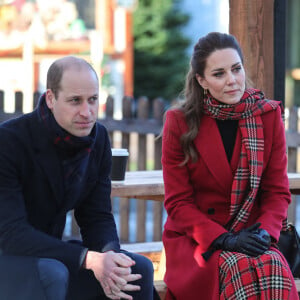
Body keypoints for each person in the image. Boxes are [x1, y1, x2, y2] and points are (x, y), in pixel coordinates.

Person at [0, 56, 157, 300]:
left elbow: (96, 216)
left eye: (93, 99)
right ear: (51, 99)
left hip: (49, 253)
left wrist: (111, 260)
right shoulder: (9, 141)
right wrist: (89, 259)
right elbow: (11, 234)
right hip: (8, 257)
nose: (87, 112)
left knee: (136, 271)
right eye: (75, 101)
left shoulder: (98, 139)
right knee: (54, 273)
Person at [161, 32, 299, 300]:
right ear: (202, 80)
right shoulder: (179, 121)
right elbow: (178, 203)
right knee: (236, 267)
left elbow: (277, 192)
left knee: (273, 266)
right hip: (200, 241)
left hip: (253, 233)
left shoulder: (268, 115)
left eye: (236, 69)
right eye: (219, 74)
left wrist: (263, 233)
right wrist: (224, 239)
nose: (232, 80)